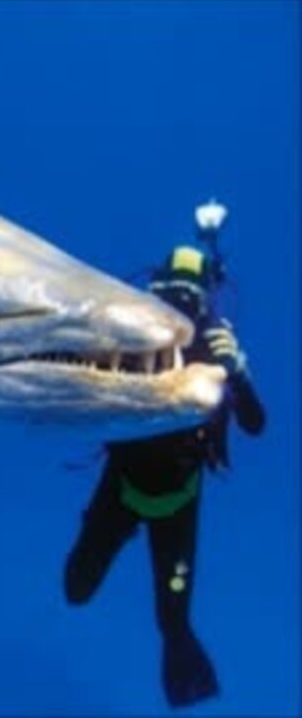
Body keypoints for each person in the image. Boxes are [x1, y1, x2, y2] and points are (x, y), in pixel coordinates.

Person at [63, 199, 266, 708]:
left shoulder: (217, 348)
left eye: (189, 297)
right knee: (76, 589)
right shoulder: (132, 341)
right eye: (169, 294)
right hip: (121, 487)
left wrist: (240, 372)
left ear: (205, 300)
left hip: (179, 501)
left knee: (173, 623)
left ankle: (188, 685)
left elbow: (255, 424)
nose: (179, 306)